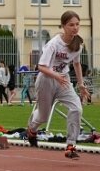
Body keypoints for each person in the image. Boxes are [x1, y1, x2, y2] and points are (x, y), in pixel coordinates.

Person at [25, 11, 89, 159]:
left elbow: (77, 64)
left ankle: (70, 145)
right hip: (46, 79)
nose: (75, 28)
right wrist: (56, 75)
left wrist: (81, 85)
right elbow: (41, 66)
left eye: (77, 24)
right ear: (63, 26)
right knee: (43, 116)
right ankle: (32, 129)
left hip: (64, 79)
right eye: (71, 25)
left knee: (76, 108)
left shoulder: (77, 44)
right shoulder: (54, 44)